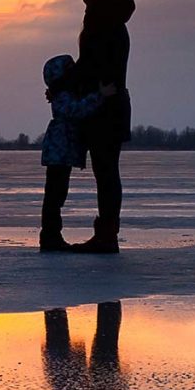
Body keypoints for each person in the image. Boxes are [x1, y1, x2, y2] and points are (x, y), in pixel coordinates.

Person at [71, 0, 136, 254]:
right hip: (111, 106)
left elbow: (89, 68)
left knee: (106, 171)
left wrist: (63, 81)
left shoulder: (102, 31)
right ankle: (107, 231)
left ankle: (107, 235)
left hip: (104, 109)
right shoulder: (114, 30)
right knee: (107, 172)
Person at [39, 54, 116, 252]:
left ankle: (51, 234)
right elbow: (76, 110)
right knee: (54, 195)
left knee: (57, 194)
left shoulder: (64, 93)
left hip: (61, 152)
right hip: (59, 152)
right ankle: (50, 235)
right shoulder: (63, 96)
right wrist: (100, 95)